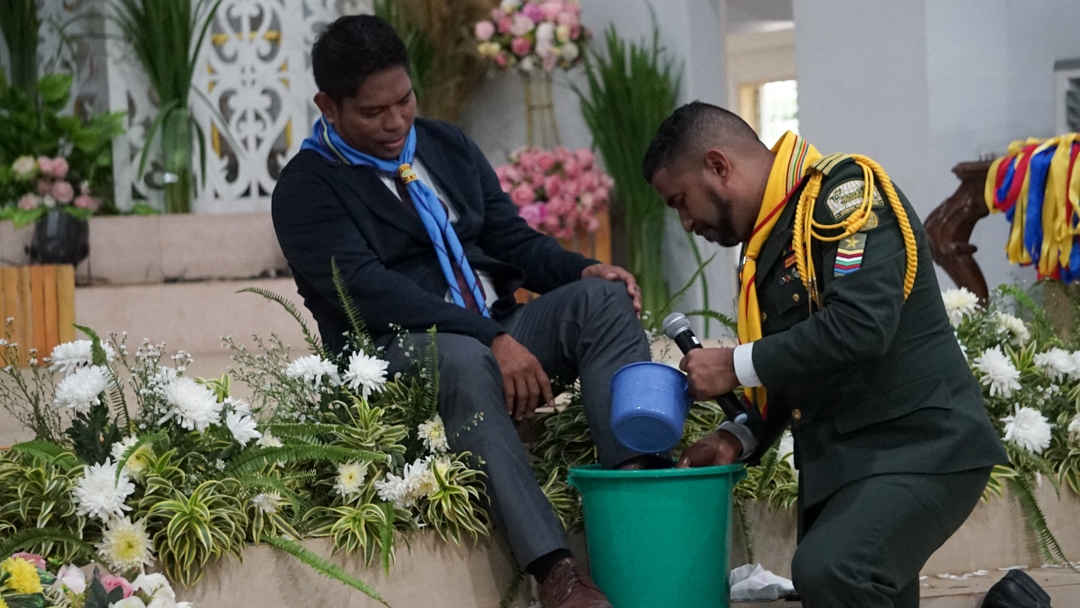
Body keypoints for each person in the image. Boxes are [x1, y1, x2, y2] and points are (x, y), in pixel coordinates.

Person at [272, 15, 657, 608]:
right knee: (462, 356)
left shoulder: (444, 146)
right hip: (394, 353)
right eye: (374, 112)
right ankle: (555, 571)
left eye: (404, 100)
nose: (396, 122)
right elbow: (372, 292)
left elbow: (512, 240)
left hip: (494, 327)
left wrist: (582, 269)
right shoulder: (307, 187)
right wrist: (489, 338)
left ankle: (636, 501)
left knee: (602, 300)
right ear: (329, 105)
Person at [643, 101, 1008, 608]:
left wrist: (733, 365)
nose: (686, 222)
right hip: (854, 463)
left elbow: (860, 326)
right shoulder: (771, 237)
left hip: (920, 445)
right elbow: (803, 361)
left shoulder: (842, 195)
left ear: (718, 166)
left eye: (681, 201)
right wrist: (737, 436)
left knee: (833, 570)